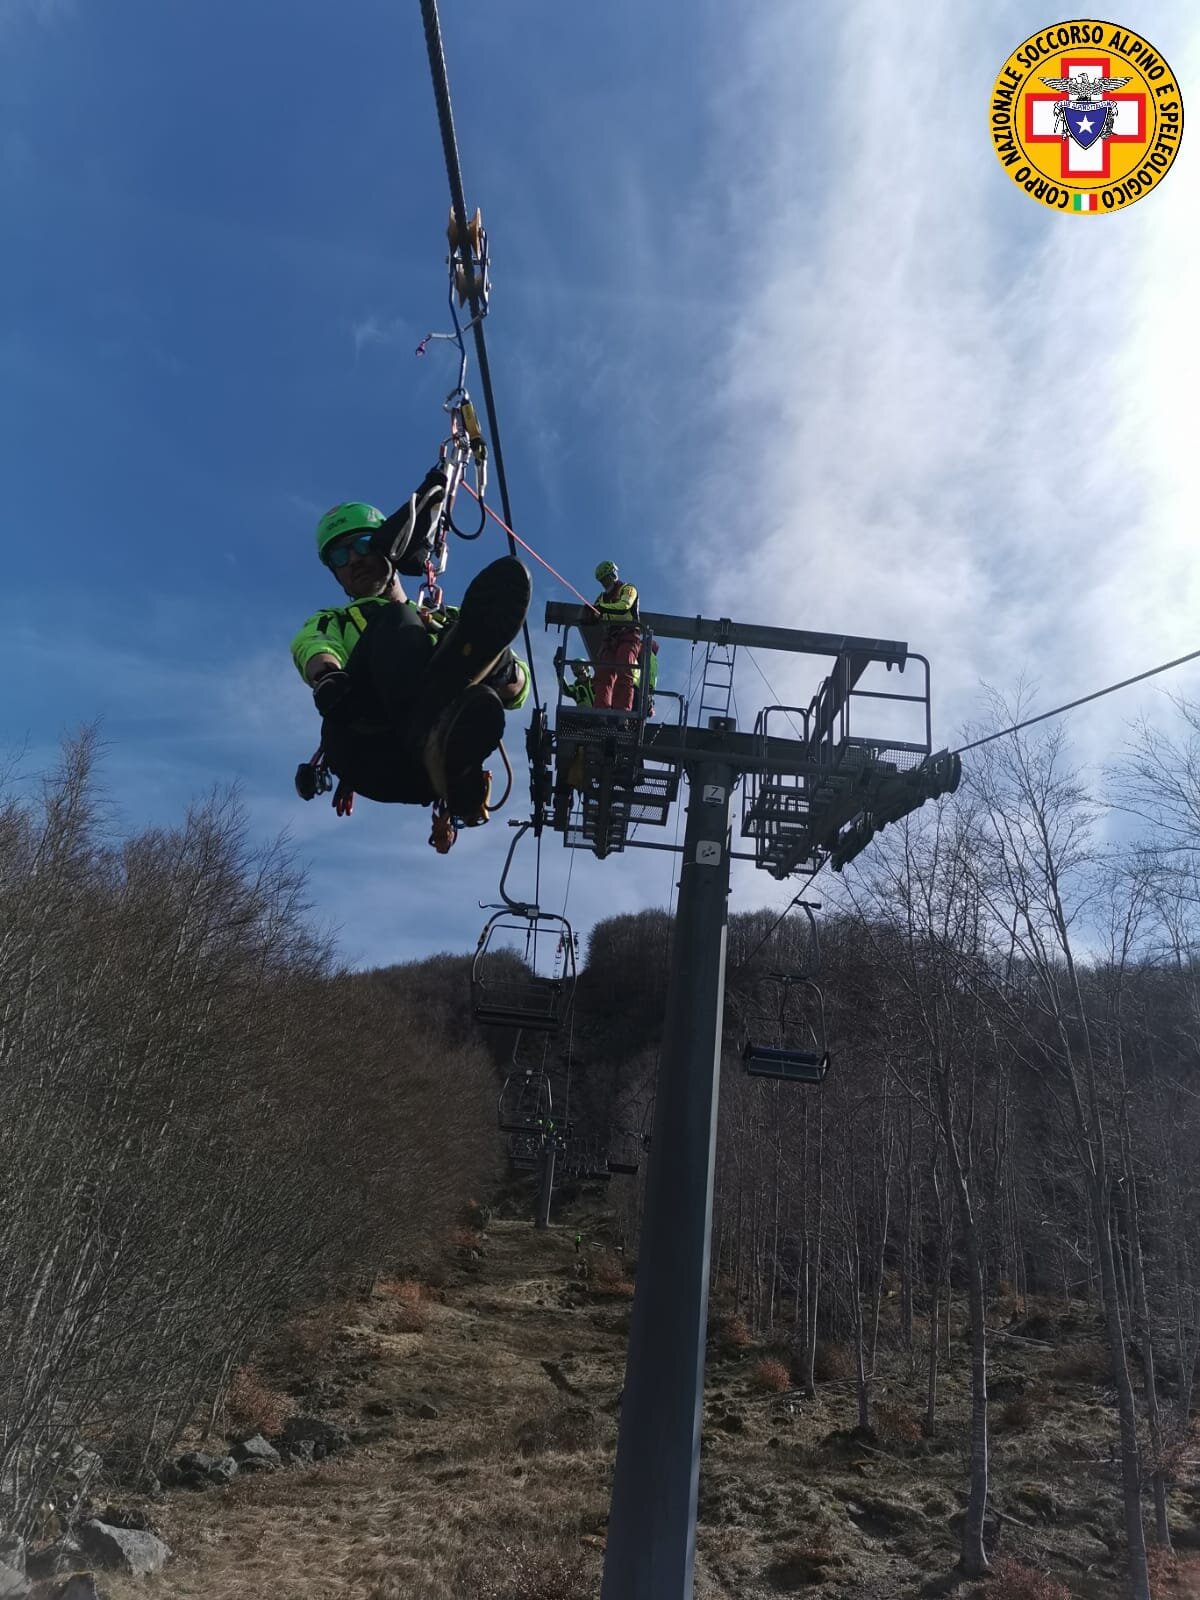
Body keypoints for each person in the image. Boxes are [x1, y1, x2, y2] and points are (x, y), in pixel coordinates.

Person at [291, 471, 531, 825]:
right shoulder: (335, 620)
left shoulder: (449, 620)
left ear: (389, 545)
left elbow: (516, 689)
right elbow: (313, 646)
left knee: (473, 666)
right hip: (367, 747)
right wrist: (327, 676)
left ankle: (448, 751)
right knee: (396, 620)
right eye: (340, 556)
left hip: (423, 777)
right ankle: (432, 736)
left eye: (362, 545)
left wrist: (504, 667)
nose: (353, 560)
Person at [588, 560, 641, 711]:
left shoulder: (628, 589)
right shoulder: (601, 598)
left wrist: (600, 609)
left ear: (613, 574)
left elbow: (624, 607)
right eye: (603, 580)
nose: (605, 583)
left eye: (607, 578)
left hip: (628, 635)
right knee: (603, 674)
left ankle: (621, 712)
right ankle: (601, 711)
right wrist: (590, 615)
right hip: (610, 639)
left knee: (624, 668)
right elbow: (596, 613)